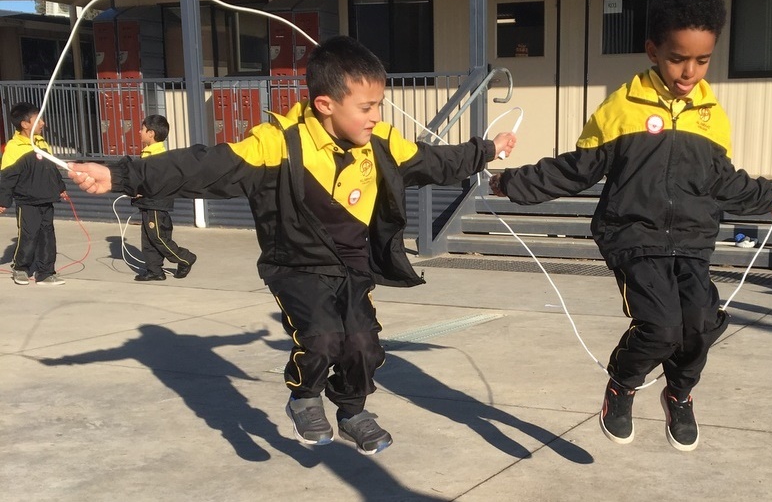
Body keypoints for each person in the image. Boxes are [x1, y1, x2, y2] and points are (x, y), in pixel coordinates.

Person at [67, 35, 516, 455]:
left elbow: (437, 161)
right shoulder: (278, 145)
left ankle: (353, 410)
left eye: (379, 104)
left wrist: (488, 149)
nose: (376, 115)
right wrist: (119, 174)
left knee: (363, 345)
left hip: (352, 268)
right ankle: (304, 398)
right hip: (295, 266)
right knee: (321, 338)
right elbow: (201, 166)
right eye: (366, 106)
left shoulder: (380, 144)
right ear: (325, 104)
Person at [489, 0, 772, 452]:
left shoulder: (711, 115)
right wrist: (514, 183)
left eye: (703, 60)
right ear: (653, 50)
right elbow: (579, 167)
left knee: (701, 324)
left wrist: (765, 197)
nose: (689, 71)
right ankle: (622, 386)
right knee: (662, 327)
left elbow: (722, 179)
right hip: (634, 236)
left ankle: (680, 394)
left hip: (691, 239)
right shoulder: (621, 107)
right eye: (677, 57)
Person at [0, 102, 68, 286]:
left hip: (46, 198)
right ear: (25, 124)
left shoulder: (42, 143)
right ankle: (21, 268)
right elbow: (6, 177)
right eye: (38, 120)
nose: (43, 123)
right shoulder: (14, 147)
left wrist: (60, 187)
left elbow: (51, 169)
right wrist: (3, 201)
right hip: (27, 201)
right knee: (28, 235)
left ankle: (46, 273)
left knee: (47, 235)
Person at [131, 115, 196, 281]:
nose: (139, 131)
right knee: (148, 239)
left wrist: (142, 190)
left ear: (151, 133)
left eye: (142, 129)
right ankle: (155, 271)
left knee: (159, 237)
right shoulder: (148, 153)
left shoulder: (157, 155)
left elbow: (154, 181)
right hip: (148, 202)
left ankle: (185, 258)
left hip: (156, 203)